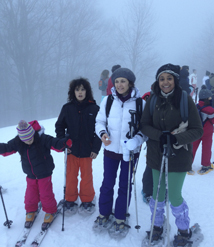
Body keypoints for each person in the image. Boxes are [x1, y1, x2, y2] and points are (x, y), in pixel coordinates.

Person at [140, 63, 203, 247]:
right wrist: (160, 136)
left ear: (175, 80)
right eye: (161, 78)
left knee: (174, 196)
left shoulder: (184, 99)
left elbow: (197, 130)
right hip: (155, 155)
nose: (165, 82)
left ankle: (184, 231)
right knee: (156, 195)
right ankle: (157, 227)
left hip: (178, 156)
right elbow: (143, 125)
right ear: (157, 81)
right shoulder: (152, 99)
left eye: (169, 78)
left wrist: (175, 138)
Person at [94, 67, 146, 237]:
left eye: (123, 81)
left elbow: (145, 129)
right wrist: (103, 134)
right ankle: (104, 213)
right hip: (110, 150)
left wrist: (136, 140)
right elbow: (99, 121)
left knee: (125, 184)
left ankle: (120, 216)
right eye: (116, 81)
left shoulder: (140, 103)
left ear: (130, 83)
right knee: (107, 182)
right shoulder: (108, 101)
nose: (119, 85)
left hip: (130, 152)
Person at [0, 120, 72, 230]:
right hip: (30, 174)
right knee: (30, 194)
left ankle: (50, 211)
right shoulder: (18, 141)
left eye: (30, 138)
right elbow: (7, 148)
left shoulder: (42, 138)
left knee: (45, 193)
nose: (28, 141)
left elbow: (55, 143)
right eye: (25, 140)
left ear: (33, 133)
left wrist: (64, 143)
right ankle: (31, 209)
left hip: (44, 173)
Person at [55, 78, 102, 215]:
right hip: (71, 150)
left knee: (87, 176)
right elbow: (59, 126)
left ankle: (87, 199)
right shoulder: (67, 108)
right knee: (70, 175)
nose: (80, 92)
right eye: (77, 89)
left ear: (87, 91)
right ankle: (70, 199)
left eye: (82, 89)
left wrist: (95, 149)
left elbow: (99, 130)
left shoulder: (94, 108)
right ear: (73, 92)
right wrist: (63, 143)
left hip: (88, 150)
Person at [190, 85, 214, 175]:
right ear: (207, 98)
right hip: (207, 132)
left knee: (192, 147)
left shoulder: (196, 106)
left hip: (196, 131)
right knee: (206, 148)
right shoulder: (210, 109)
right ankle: (206, 165)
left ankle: (187, 164)